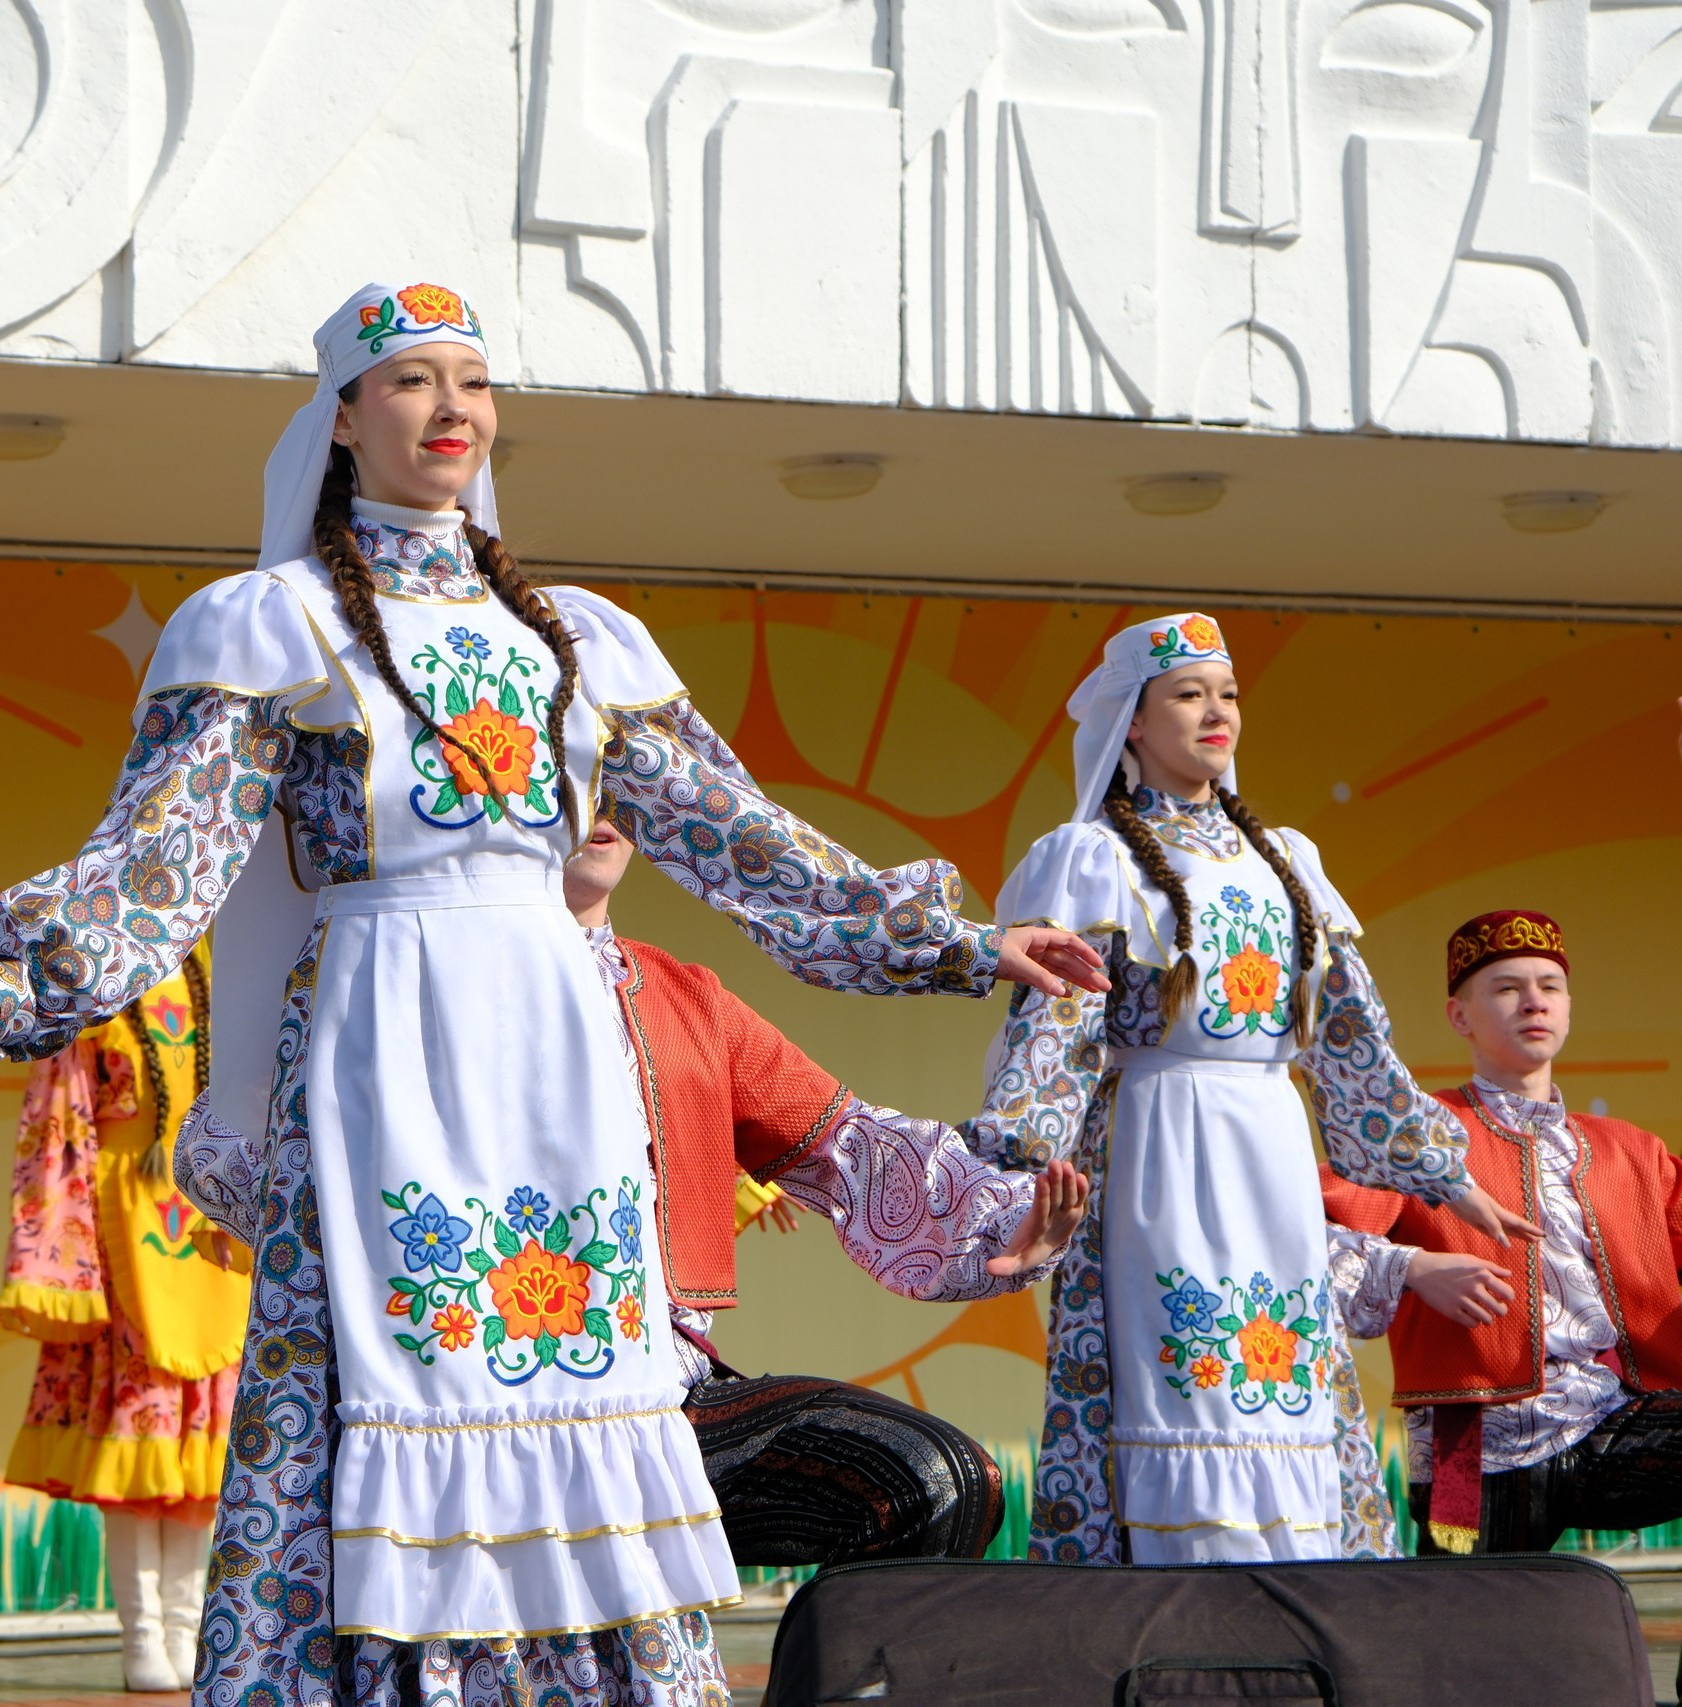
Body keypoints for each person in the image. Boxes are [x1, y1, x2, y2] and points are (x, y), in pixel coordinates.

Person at [0, 280, 1106, 1707]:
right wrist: (18, 976)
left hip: (550, 1038)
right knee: (398, 1364)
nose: (450, 406)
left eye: (473, 379)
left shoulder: (579, 639)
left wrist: (963, 945)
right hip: (383, 1034)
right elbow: (166, 847)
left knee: (570, 1363)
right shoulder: (265, 623)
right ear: (343, 419)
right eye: (409, 380)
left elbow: (737, 833)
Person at [962, 612, 1534, 1565]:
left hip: (1268, 1144)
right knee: (1180, 1365)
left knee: (1287, 1366)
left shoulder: (1290, 863)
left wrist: (1442, 1170)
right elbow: (1051, 1032)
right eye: (1188, 694)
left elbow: (1349, 1037)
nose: (1216, 712)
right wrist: (1008, 1180)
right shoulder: (1092, 857)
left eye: (1228, 694)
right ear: (1133, 723)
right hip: (1159, 1141)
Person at [577, 813, 1089, 1565]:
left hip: (655, 1402)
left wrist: (996, 1221)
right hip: (464, 1406)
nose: (600, 805)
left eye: (614, 777)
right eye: (559, 760)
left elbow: (845, 1140)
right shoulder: (406, 979)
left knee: (936, 1481)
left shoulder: (683, 1001)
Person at [1322, 911, 1682, 1555]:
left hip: (1613, 1420)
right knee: (1459, 1628)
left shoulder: (1635, 1153)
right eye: (1507, 987)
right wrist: (1411, 1268)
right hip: (1474, 1442)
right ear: (1460, 1016)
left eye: (1550, 985)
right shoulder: (1414, 1140)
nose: (1534, 1001)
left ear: (1569, 1009)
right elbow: (1295, 1240)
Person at [0, 947, 245, 1691]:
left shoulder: (223, 965)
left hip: (211, 1219)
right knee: (135, 1432)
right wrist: (61, 1246)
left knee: (203, 1446)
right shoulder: (84, 976)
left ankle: (187, 1625)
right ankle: (141, 1630)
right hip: (119, 1225)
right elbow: (58, 1118)